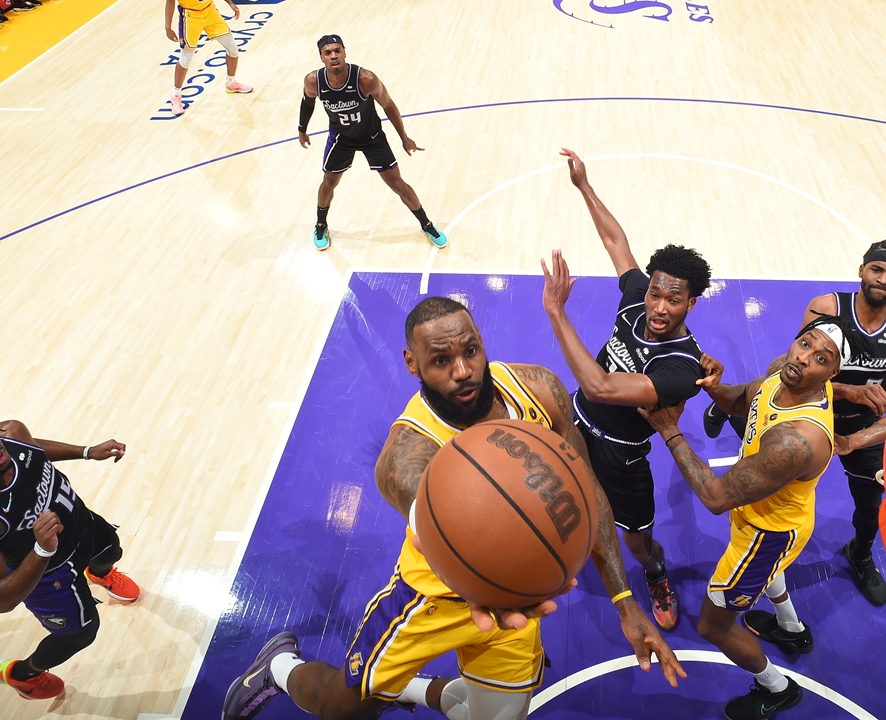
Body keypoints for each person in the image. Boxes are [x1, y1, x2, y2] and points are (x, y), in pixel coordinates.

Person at [223, 296, 683, 720]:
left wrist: (624, 601)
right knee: (342, 710)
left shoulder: (539, 389)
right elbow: (446, 535)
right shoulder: (405, 455)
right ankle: (278, 667)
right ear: (412, 363)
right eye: (441, 361)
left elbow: (588, 492)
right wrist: (491, 583)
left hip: (515, 596)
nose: (463, 371)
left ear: (482, 342)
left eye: (470, 351)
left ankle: (414, 690)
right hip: (432, 597)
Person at [641, 315, 866, 720]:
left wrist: (670, 431)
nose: (804, 357)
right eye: (805, 343)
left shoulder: (797, 441)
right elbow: (746, 398)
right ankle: (791, 629)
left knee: (714, 627)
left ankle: (776, 688)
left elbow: (714, 497)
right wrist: (715, 390)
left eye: (821, 357)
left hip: (767, 534)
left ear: (832, 373)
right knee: (773, 574)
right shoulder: (785, 370)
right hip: (775, 512)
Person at [702, 238, 886, 606]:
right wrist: (848, 391)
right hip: (803, 412)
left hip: (858, 428)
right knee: (764, 456)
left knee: (871, 502)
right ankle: (731, 403)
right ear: (861, 269)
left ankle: (860, 553)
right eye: (877, 269)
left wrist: (854, 442)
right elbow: (789, 367)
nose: (883, 279)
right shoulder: (826, 308)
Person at [540, 149, 712, 632]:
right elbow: (617, 240)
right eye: (655, 293)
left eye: (672, 300)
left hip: (621, 456)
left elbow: (598, 384)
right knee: (552, 499)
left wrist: (556, 312)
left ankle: (655, 574)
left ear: (691, 304)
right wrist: (584, 186)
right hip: (574, 424)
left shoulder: (682, 368)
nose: (658, 306)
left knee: (636, 542)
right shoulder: (638, 297)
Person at [0, 421, 138, 701]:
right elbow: (4, 600)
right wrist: (41, 549)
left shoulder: (12, 433)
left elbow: (33, 449)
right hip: (50, 576)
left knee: (110, 552)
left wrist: (86, 451)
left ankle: (100, 574)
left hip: (83, 524)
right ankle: (23, 674)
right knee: (81, 635)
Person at [298, 35, 446, 252]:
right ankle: (321, 225)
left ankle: (427, 224)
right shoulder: (313, 81)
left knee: (398, 184)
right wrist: (302, 129)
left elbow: (389, 106)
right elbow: (306, 102)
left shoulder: (365, 79)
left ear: (345, 52)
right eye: (328, 52)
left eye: (337, 50)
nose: (334, 55)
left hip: (372, 137)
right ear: (321, 57)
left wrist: (404, 138)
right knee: (329, 182)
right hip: (341, 138)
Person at [164, 0, 253, 117]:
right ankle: (175, 96)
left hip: (210, 11)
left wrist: (230, 3)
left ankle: (231, 83)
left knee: (233, 49)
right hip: (190, 16)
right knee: (186, 59)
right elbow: (170, 2)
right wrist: (167, 27)